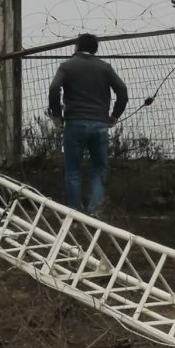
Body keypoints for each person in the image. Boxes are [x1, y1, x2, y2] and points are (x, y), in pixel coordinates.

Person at [48, 33, 128, 216]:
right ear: (95, 48)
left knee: (73, 169)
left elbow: (54, 88)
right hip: (100, 124)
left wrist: (56, 115)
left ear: (76, 46)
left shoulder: (67, 66)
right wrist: (115, 115)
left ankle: (75, 211)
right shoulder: (104, 67)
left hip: (74, 123)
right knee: (99, 168)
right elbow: (122, 90)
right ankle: (95, 211)